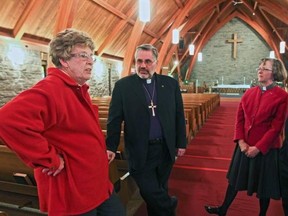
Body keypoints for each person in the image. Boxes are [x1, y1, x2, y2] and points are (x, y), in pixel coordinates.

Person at [0, 29, 125, 216]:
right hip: (74, 192)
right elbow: (6, 120)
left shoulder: (76, 89)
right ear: (64, 60)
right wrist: (49, 159)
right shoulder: (51, 88)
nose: (90, 61)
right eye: (83, 55)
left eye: (91, 56)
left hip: (95, 183)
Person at [106, 44, 187, 216]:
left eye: (148, 61)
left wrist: (181, 142)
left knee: (159, 188)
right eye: (139, 61)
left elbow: (179, 115)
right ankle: (169, 205)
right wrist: (110, 147)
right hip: (139, 150)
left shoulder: (170, 84)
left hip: (165, 148)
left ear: (156, 63)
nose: (143, 65)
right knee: (150, 191)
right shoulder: (123, 86)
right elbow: (114, 119)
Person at [205, 57, 288, 216]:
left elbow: (276, 127)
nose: (260, 70)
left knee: (264, 187)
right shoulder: (249, 92)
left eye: (265, 68)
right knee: (234, 181)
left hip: (266, 149)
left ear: (274, 73)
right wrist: (241, 142)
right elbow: (240, 119)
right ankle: (223, 209)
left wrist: (258, 148)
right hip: (245, 146)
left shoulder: (282, 96)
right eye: (259, 67)